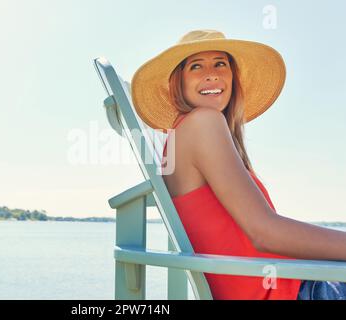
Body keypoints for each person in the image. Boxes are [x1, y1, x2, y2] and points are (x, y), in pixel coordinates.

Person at [131, 30, 346, 300]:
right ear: (178, 83)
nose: (212, 73)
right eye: (196, 66)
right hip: (289, 292)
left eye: (220, 63)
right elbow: (264, 233)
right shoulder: (202, 122)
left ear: (232, 76)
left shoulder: (189, 133)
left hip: (289, 283)